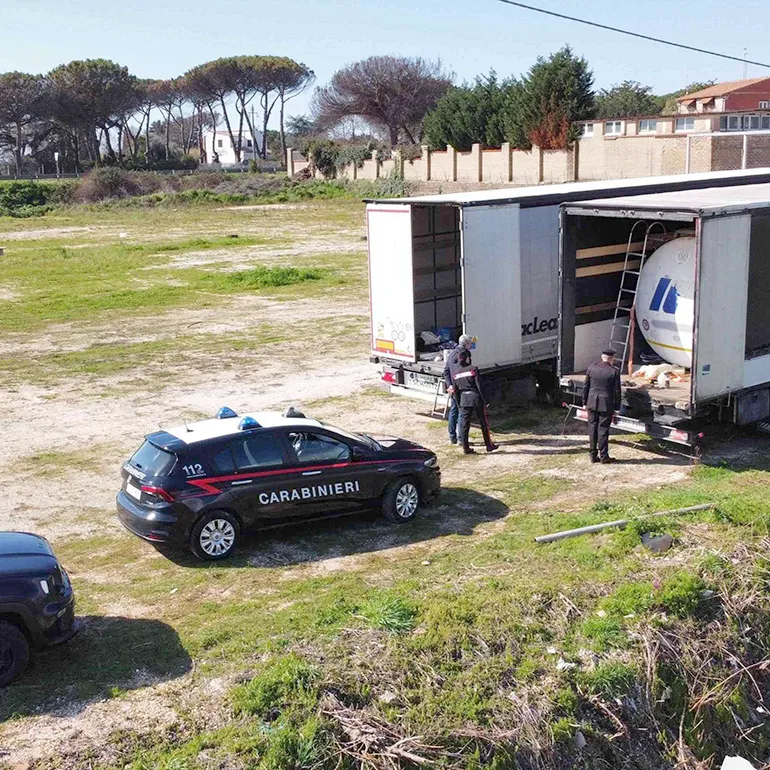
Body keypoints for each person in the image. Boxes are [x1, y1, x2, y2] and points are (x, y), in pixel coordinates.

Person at [452, 341, 499, 455]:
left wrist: (459, 403)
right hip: (476, 398)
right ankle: (489, 445)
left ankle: (466, 448)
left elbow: (456, 391)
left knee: (464, 425)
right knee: (483, 423)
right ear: (467, 358)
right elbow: (480, 386)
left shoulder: (455, 373)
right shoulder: (473, 369)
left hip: (464, 400)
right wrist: (485, 400)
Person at [583, 349, 622, 464]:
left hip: (591, 401)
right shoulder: (614, 371)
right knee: (603, 430)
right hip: (606, 403)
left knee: (592, 429)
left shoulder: (591, 368)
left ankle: (592, 455)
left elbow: (586, 386)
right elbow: (617, 391)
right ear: (611, 358)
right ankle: (604, 456)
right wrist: (617, 407)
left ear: (602, 357)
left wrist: (585, 402)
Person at [442, 335, 474, 445]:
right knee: (462, 412)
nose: (471, 345)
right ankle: (461, 438)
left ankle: (452, 437)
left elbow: (446, 371)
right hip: (461, 387)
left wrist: (449, 385)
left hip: (453, 387)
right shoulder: (465, 353)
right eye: (470, 343)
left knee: (453, 411)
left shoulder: (452, 353)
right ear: (466, 344)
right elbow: (466, 371)